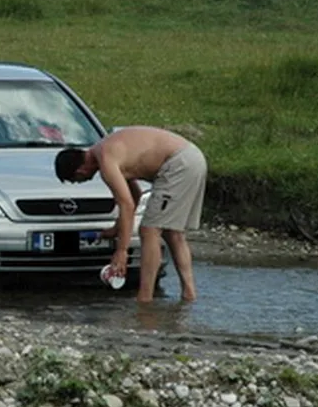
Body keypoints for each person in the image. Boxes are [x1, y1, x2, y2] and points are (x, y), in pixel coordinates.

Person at [54, 126, 207, 303]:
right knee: (172, 233)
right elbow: (135, 196)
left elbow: (126, 205)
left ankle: (145, 300)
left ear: (80, 171)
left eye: (76, 181)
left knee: (149, 231)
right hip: (191, 156)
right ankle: (189, 295)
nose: (80, 183)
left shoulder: (106, 160)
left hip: (178, 164)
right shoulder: (105, 149)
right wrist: (117, 228)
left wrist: (122, 251)